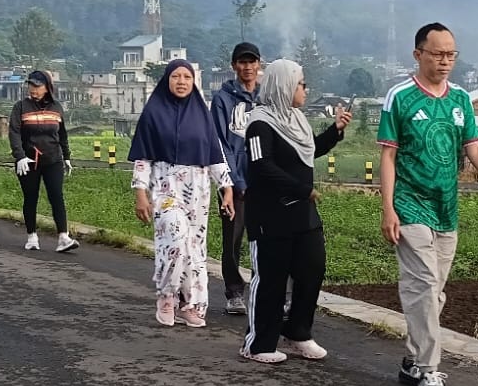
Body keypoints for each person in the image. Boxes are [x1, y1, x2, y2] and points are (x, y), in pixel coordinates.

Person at [379, 22, 478, 386]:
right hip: (410, 205)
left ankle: (412, 359)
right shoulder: (401, 97)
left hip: (446, 209)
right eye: (438, 53)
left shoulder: (460, 99)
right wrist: (388, 208)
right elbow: (388, 155)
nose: (445, 61)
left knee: (433, 292)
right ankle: (429, 371)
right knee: (424, 284)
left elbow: (475, 149)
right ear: (418, 54)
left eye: (451, 54)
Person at [239, 59, 350, 363]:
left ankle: (297, 332)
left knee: (311, 271)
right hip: (271, 217)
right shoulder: (259, 124)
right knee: (272, 279)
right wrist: (302, 189)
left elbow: (309, 150)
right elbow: (261, 167)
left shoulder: (296, 120)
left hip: (303, 216)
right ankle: (259, 343)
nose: (305, 89)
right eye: (301, 84)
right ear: (284, 86)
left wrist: (335, 131)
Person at [129, 60, 235, 327]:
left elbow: (215, 154)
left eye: (187, 76)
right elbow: (142, 157)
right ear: (167, 80)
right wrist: (140, 193)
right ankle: (166, 296)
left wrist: (227, 187)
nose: (181, 81)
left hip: (198, 189)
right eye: (175, 76)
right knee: (175, 240)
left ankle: (191, 304)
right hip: (166, 187)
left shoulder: (202, 115)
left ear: (193, 81)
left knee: (195, 249)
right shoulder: (153, 113)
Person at [210, 42, 263, 315]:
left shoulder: (267, 97)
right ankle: (233, 292)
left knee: (268, 236)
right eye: (242, 62)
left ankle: (267, 289)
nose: (247, 67)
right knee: (233, 237)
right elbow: (220, 142)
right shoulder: (223, 99)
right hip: (232, 179)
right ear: (234, 66)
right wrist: (232, 180)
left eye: (252, 62)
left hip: (263, 178)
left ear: (259, 64)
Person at [8, 69, 77, 254]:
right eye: (30, 85)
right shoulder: (21, 107)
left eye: (37, 86)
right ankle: (32, 236)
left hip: (53, 159)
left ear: (47, 88)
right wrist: (20, 156)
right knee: (31, 197)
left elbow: (62, 134)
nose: (33, 89)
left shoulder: (56, 107)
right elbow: (14, 133)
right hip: (28, 160)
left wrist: (67, 156)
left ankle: (63, 236)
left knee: (56, 196)